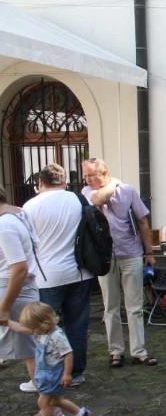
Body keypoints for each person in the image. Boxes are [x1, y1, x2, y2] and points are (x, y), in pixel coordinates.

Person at [21, 164, 94, 389]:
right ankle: (77, 373)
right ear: (64, 181)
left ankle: (45, 375)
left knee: (42, 327)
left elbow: (26, 244)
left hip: (46, 276)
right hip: (80, 272)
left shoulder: (30, 206)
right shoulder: (79, 200)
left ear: (40, 182)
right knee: (77, 324)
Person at [82, 158, 157, 368]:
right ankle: (115, 351)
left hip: (131, 253)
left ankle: (139, 351)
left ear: (103, 172)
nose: (86, 179)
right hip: (105, 257)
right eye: (85, 175)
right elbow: (97, 199)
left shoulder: (128, 190)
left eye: (90, 175)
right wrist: (113, 183)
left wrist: (149, 251)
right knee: (110, 307)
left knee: (135, 307)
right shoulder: (87, 192)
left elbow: (143, 221)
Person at [7, 302, 92, 416]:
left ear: (44, 322)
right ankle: (81, 413)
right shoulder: (40, 330)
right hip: (45, 372)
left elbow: (68, 354)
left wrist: (67, 373)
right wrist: (7, 322)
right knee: (54, 400)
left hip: (54, 373)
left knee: (43, 401)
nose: (33, 331)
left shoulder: (57, 335)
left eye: (34, 327)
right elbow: (21, 329)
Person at [0, 185, 39, 391]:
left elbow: (19, 268)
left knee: (30, 349)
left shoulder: (5, 225)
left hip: (13, 289)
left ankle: (51, 406)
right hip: (20, 287)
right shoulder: (17, 215)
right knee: (30, 348)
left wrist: (5, 307)